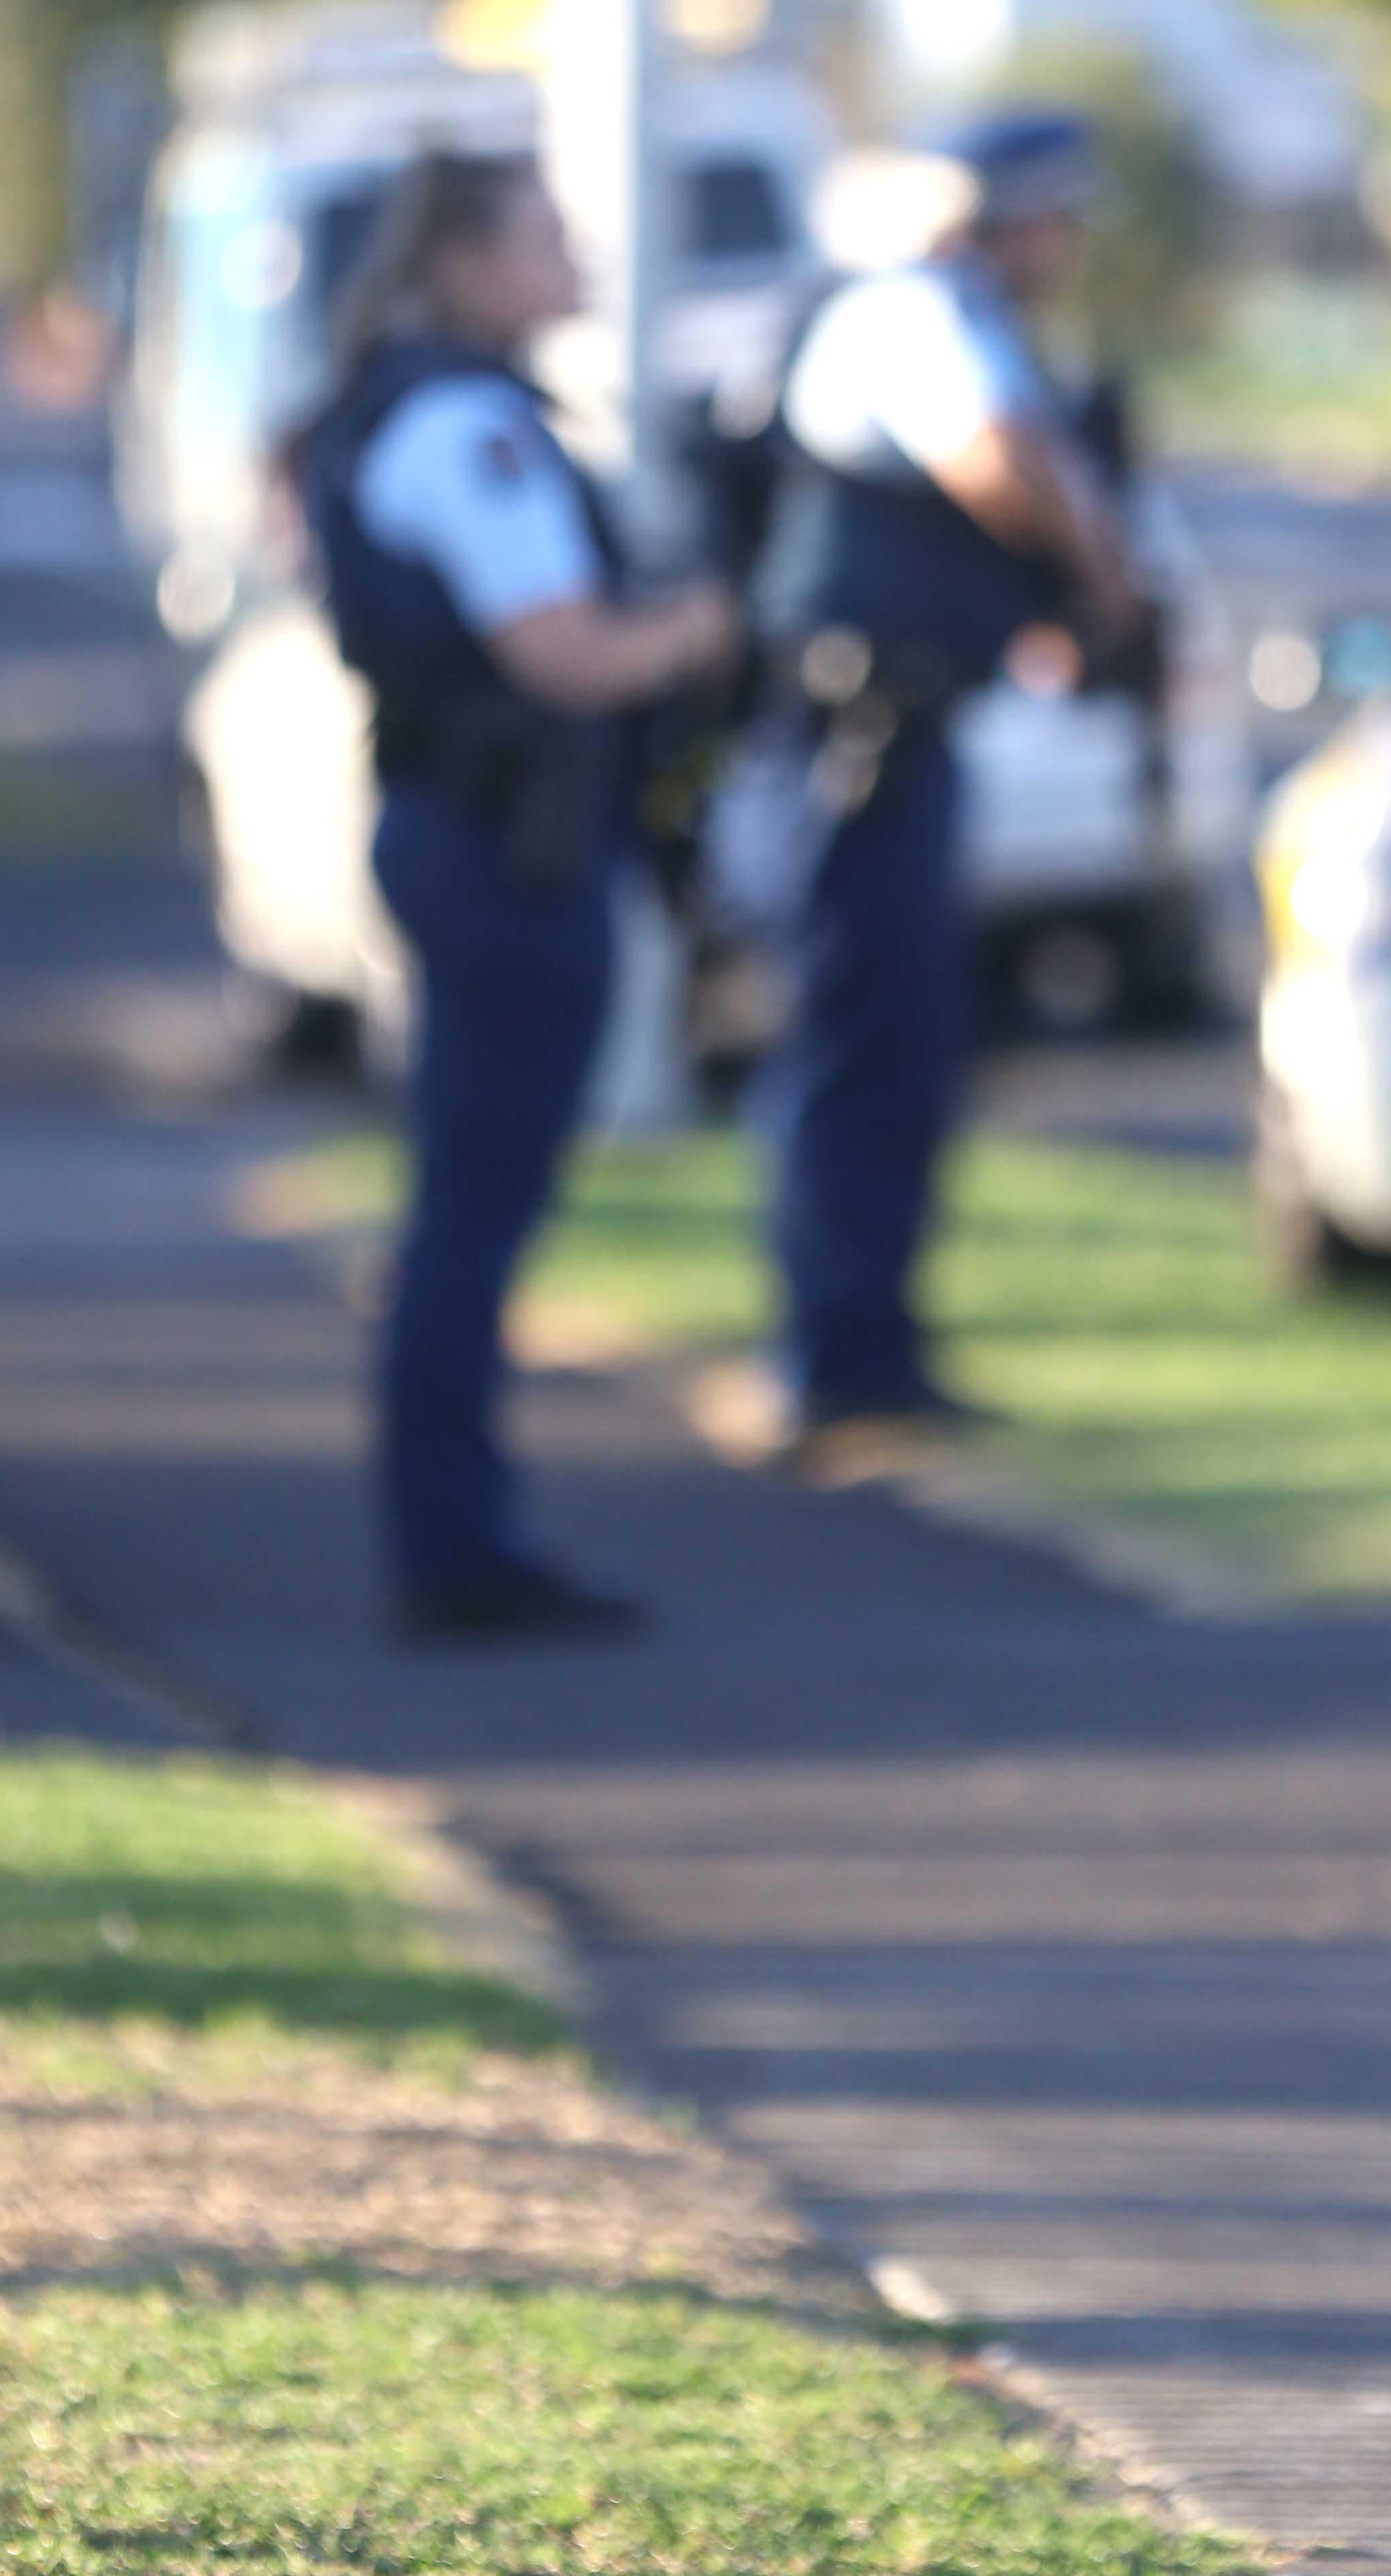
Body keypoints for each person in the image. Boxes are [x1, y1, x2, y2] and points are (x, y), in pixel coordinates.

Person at [293, 149, 741, 1638]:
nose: (580, 261)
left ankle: (462, 1533)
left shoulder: (414, 407)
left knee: (469, 1207)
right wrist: (696, 632)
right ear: (467, 262)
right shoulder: (468, 423)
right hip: (502, 847)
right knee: (474, 1216)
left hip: (474, 835)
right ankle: (458, 1550)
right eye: (550, 236)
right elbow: (562, 652)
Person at [744, 110, 1142, 1448]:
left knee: (903, 1047)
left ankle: (876, 1347)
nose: (1070, 248)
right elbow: (998, 454)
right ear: (1007, 215)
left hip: (906, 736)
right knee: (858, 1044)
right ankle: (829, 1354)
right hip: (863, 743)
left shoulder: (949, 311)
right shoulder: (919, 310)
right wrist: (1099, 569)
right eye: (1060, 217)